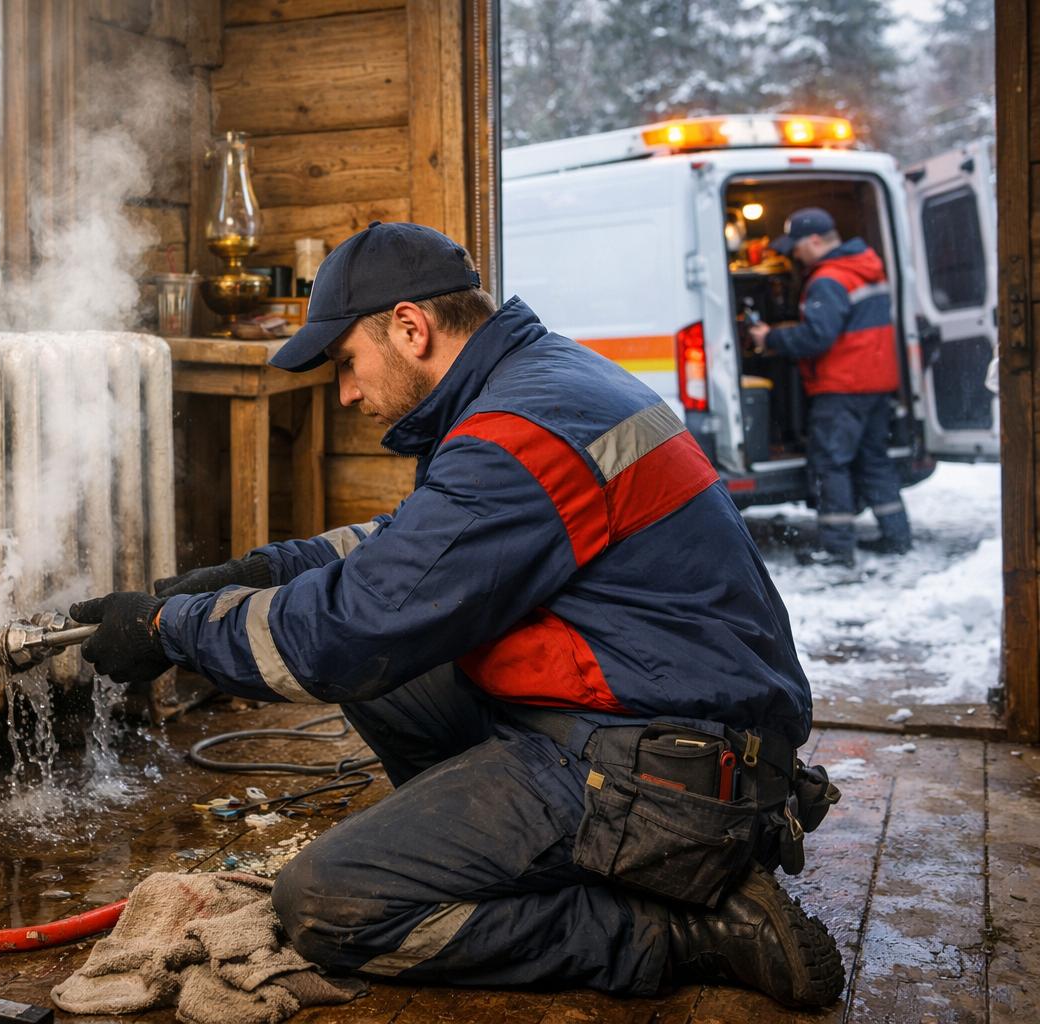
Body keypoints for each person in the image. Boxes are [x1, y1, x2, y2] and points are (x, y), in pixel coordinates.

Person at [69, 222, 843, 1008]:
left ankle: (679, 929)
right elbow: (411, 551)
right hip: (673, 730)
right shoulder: (541, 383)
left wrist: (171, 631)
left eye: (345, 364)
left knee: (329, 905)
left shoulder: (516, 435)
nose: (345, 393)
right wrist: (257, 572)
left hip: (668, 777)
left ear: (410, 328)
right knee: (395, 673)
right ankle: (491, 857)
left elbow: (349, 631)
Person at [748, 207, 912, 567]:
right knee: (874, 460)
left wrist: (771, 336)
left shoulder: (828, 279)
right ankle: (897, 535)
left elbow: (817, 337)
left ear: (816, 241)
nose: (795, 254)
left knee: (830, 464)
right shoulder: (866, 266)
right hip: (875, 382)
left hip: (843, 386)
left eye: (797, 246)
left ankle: (837, 548)